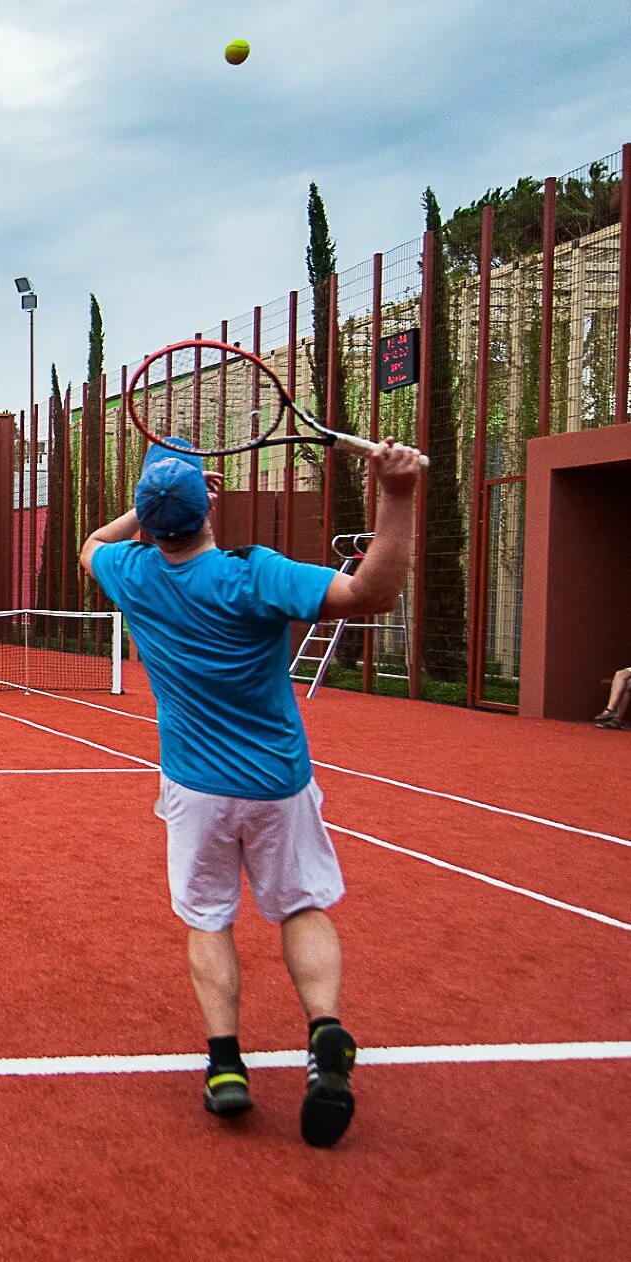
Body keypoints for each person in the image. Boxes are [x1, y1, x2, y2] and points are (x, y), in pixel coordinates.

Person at [80, 436, 424, 1149]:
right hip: (278, 784)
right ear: (210, 505)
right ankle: (324, 1031)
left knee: (209, 919)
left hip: (194, 791)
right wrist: (397, 498)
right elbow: (373, 593)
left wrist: (152, 507)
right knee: (300, 907)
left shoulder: (130, 571)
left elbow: (91, 544)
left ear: (150, 520)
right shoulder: (255, 574)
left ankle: (226, 1065)